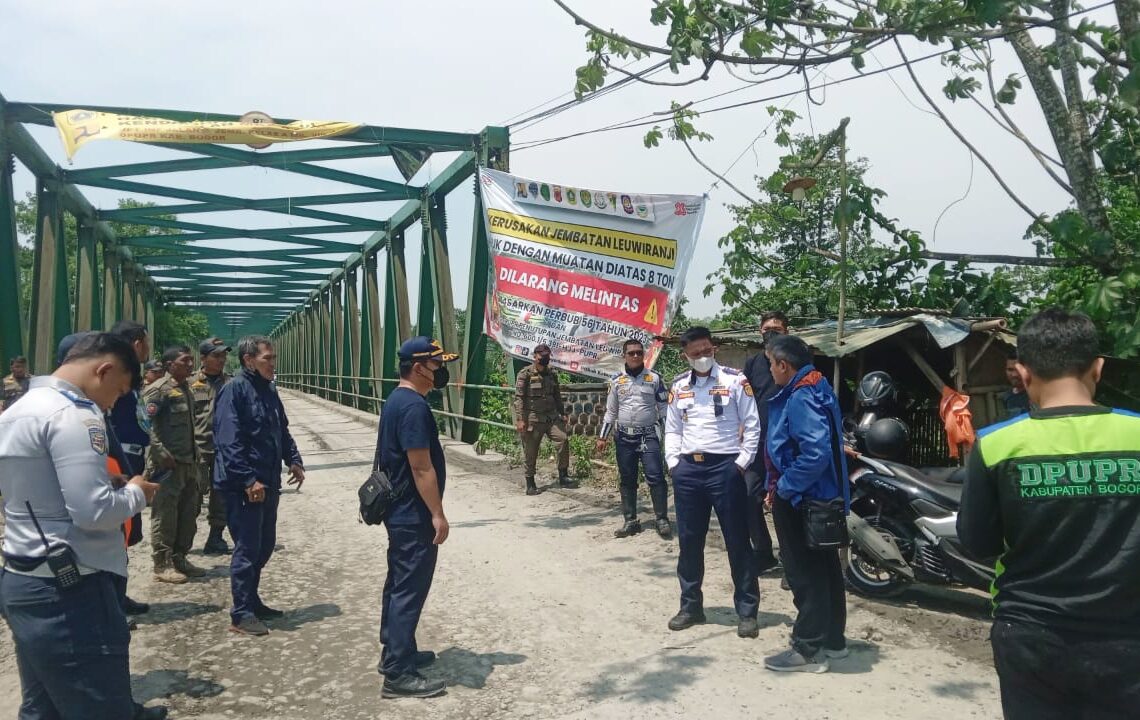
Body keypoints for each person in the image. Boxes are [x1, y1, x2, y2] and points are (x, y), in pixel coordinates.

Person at [958, 308, 1140, 720]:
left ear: (1022, 373)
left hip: (1030, 635)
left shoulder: (996, 445)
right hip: (1128, 637)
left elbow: (977, 543)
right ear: (1098, 368)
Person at [0, 332, 165, 720]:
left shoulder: (17, 410)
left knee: (43, 708)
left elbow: (30, 489)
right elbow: (94, 513)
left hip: (23, 575)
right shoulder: (74, 414)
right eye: (120, 389)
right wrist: (138, 493)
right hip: (71, 588)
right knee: (101, 708)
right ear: (103, 370)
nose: (116, 401)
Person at [664, 326, 762, 638]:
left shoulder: (735, 380)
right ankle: (691, 606)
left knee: (737, 540)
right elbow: (672, 428)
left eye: (707, 350)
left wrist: (741, 463)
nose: (703, 356)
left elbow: (752, 423)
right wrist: (673, 463)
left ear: (714, 348)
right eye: (696, 353)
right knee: (689, 541)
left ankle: (747, 611)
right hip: (689, 471)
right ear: (686, 356)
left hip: (726, 469)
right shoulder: (679, 386)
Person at [374, 337, 458, 699]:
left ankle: (397, 650)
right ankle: (397, 675)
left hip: (400, 512)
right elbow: (420, 466)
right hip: (413, 515)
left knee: (398, 584)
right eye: (437, 365)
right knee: (409, 589)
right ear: (419, 367)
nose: (441, 371)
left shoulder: (397, 400)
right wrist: (437, 514)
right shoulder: (413, 408)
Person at [762, 334, 849, 673]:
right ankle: (833, 640)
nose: (770, 370)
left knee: (804, 573)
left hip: (802, 499)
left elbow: (815, 453)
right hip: (822, 497)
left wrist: (785, 486)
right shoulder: (820, 386)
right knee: (826, 570)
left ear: (784, 365)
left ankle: (807, 649)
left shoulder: (800, 397)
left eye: (771, 364)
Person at [213, 335, 304, 636]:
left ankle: (252, 600)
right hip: (243, 485)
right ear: (248, 360)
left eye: (274, 358)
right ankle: (241, 613)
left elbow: (282, 429)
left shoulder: (269, 390)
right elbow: (229, 441)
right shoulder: (234, 391)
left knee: (264, 546)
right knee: (248, 548)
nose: (273, 364)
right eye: (268, 358)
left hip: (268, 481)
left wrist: (294, 459)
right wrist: (248, 480)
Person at [596, 338, 672, 539]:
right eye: (631, 353)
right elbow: (611, 412)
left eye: (639, 352)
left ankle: (662, 519)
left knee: (656, 477)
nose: (636, 356)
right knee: (627, 479)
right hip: (624, 438)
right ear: (624, 356)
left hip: (648, 435)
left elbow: (664, 409)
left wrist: (670, 435)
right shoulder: (616, 380)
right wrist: (602, 437)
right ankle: (630, 521)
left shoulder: (655, 378)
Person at [143, 345, 204, 584]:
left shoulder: (186, 389)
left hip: (188, 462)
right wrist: (159, 452)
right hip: (167, 465)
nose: (190, 364)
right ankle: (162, 563)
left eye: (191, 360)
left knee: (187, 514)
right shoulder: (158, 390)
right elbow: (143, 422)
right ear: (169, 365)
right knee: (165, 514)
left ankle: (180, 558)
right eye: (185, 361)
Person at [741, 311, 789, 575]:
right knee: (748, 497)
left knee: (786, 502)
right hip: (757, 444)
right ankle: (762, 551)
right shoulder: (753, 364)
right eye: (767, 329)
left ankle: (791, 561)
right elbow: (742, 399)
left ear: (787, 333)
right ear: (759, 332)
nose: (771, 333)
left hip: (786, 445)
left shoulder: (796, 362)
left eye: (777, 329)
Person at [513, 343, 571, 495]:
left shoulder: (552, 373)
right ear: (535, 357)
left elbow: (557, 394)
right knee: (531, 451)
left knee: (562, 439)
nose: (544, 359)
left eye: (547, 356)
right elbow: (518, 398)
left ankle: (563, 474)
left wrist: (562, 412)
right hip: (533, 418)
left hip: (551, 417)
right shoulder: (525, 374)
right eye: (541, 357)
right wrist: (520, 419)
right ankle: (530, 483)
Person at [192, 338, 233, 555]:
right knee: (193, 496)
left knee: (222, 494)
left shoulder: (231, 384)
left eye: (223, 355)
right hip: (199, 448)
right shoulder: (189, 384)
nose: (221, 360)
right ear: (203, 358)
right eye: (216, 356)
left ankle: (215, 537)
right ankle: (183, 543)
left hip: (224, 449)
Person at [999, 349, 1031, 419]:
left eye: (1017, 370)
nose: (1014, 375)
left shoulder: (1035, 396)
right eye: (1010, 370)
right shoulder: (1007, 397)